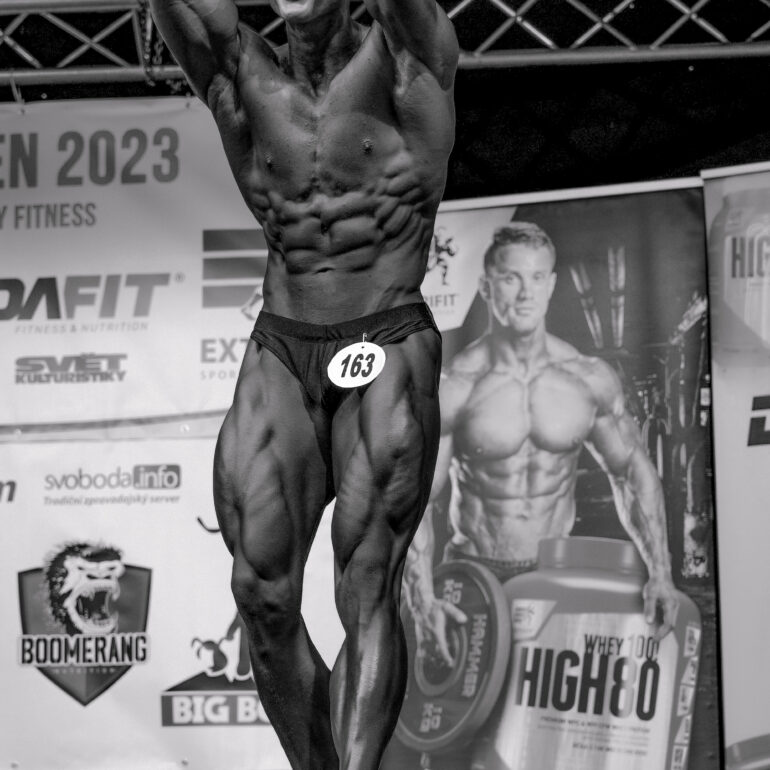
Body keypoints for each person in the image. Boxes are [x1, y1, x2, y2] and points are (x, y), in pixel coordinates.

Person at [149, 0, 458, 767]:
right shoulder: (241, 75)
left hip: (385, 337)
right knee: (260, 593)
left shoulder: (405, 59)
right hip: (283, 349)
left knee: (366, 583)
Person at [403, 222, 680, 668]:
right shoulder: (456, 387)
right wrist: (422, 600)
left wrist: (660, 574)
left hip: (554, 572)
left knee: (549, 706)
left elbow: (632, 474)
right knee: (469, 707)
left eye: (536, 277)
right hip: (474, 573)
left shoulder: (586, 379)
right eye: (511, 278)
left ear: (550, 285)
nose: (525, 292)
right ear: (486, 287)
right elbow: (413, 500)